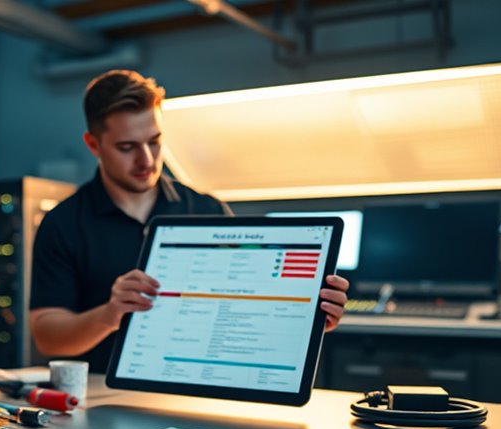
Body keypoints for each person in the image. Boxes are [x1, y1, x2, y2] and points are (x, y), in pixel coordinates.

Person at [29, 69, 350, 373]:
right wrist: (109, 315)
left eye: (154, 141)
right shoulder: (63, 224)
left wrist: (306, 318)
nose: (146, 159)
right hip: (102, 399)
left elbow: (243, 309)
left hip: (198, 393)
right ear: (93, 144)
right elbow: (47, 336)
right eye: (127, 147)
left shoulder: (208, 211)